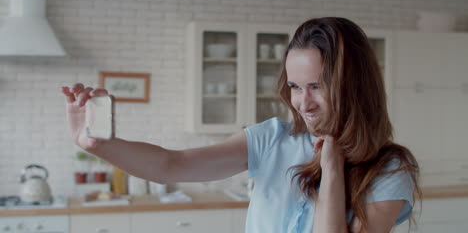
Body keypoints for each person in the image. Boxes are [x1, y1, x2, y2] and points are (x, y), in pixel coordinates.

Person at [61, 17, 421, 233]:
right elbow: (173, 164)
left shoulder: (389, 168)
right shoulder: (271, 139)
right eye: (295, 87)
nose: (303, 102)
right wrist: (99, 144)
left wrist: (332, 169)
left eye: (318, 86)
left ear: (353, 84)